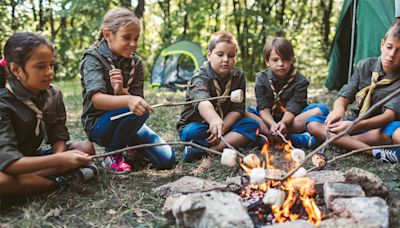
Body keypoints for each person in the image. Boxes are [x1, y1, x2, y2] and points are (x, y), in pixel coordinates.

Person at [0, 32, 96, 196]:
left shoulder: (53, 94)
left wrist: (60, 157)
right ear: (16, 69)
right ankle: (57, 183)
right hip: (9, 164)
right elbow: (8, 162)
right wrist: (60, 161)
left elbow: (57, 133)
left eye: (51, 65)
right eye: (40, 66)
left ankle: (32, 181)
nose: (50, 72)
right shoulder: (4, 103)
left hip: (31, 158)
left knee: (85, 147)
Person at [80, 7, 175, 173]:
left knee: (166, 159)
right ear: (108, 34)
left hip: (128, 122)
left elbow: (136, 100)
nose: (133, 44)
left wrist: (122, 92)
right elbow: (97, 100)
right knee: (139, 110)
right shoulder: (93, 58)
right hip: (99, 125)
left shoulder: (135, 62)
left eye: (136, 38)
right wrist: (128, 100)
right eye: (127, 37)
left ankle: (128, 146)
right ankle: (112, 154)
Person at [307, 21, 400, 163]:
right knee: (313, 123)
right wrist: (338, 110)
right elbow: (345, 95)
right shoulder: (365, 65)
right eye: (389, 47)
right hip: (355, 124)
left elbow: (389, 116)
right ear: (382, 45)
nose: (392, 54)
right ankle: (373, 151)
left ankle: (337, 142)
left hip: (380, 128)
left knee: (395, 132)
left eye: (399, 50)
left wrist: (353, 126)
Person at [177, 31, 260, 162]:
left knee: (252, 124)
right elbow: (202, 101)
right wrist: (214, 120)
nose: (226, 59)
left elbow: (237, 109)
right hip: (201, 125)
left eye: (231, 55)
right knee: (191, 132)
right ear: (209, 55)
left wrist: (223, 128)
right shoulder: (200, 77)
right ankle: (239, 140)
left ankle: (208, 150)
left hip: (226, 124)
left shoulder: (238, 76)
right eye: (220, 54)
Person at [245, 37, 329, 149]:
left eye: (284, 59)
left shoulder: (300, 80)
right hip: (268, 121)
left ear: (291, 59)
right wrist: (273, 124)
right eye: (275, 60)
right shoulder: (261, 78)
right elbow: (263, 108)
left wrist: (283, 123)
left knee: (321, 110)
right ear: (267, 61)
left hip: (292, 121)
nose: (280, 64)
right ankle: (293, 138)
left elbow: (292, 109)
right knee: (243, 110)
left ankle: (272, 137)